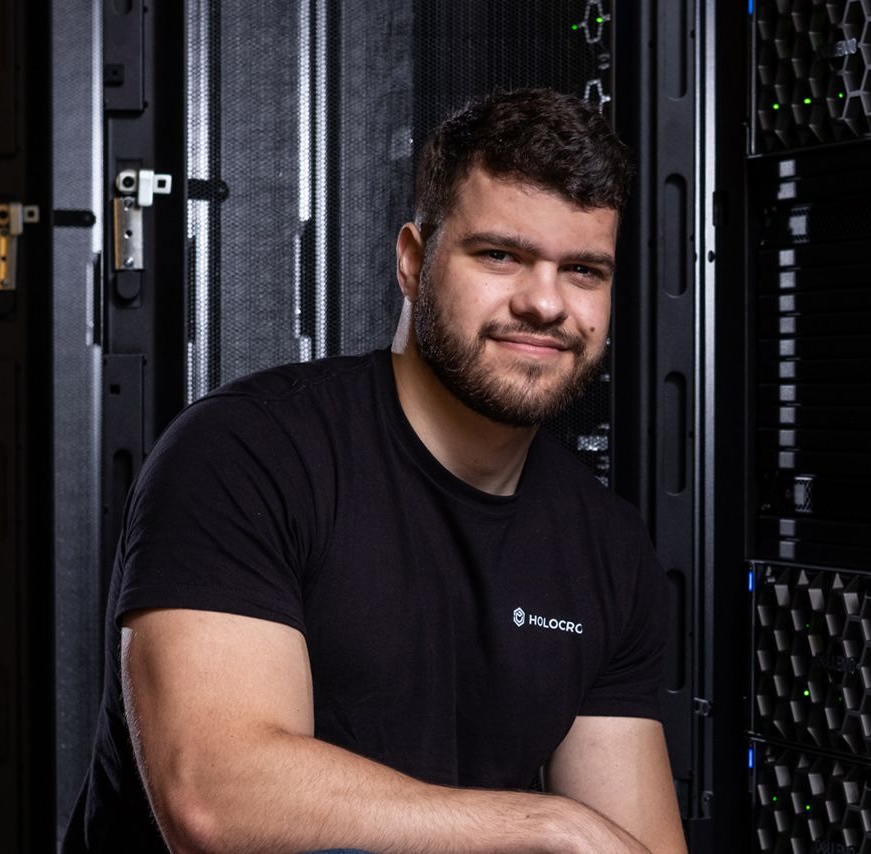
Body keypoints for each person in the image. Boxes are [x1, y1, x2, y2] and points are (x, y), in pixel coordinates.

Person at [63, 87, 687, 854]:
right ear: (413, 261)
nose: (545, 303)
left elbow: (636, 843)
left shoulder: (605, 546)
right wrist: (549, 824)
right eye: (501, 255)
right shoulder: (245, 455)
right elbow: (217, 799)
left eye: (584, 270)